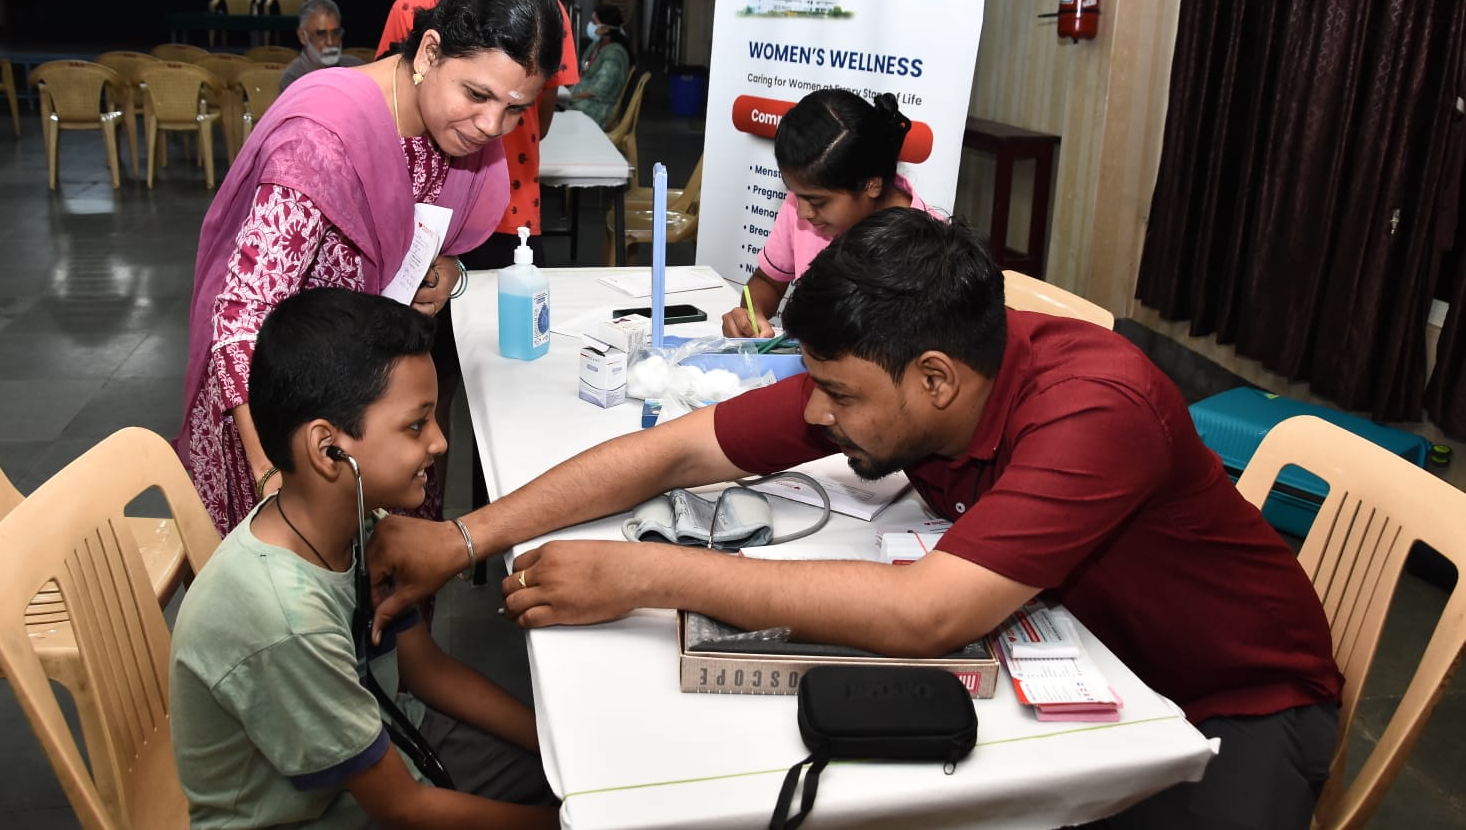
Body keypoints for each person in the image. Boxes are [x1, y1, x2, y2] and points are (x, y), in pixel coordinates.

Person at [367, 209, 1344, 830]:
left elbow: (928, 612)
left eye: (836, 393)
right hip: (1079, 655)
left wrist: (648, 576)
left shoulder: (1096, 410)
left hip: (1236, 700)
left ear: (934, 380)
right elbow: (676, 450)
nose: (816, 414)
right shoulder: (905, 367)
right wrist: (467, 537)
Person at [177, 0, 564, 536]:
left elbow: (423, 236)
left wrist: (449, 270)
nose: (491, 125)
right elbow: (242, 319)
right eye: (477, 94)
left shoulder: (452, 129)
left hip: (371, 404)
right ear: (430, 52)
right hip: (276, 421)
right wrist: (271, 473)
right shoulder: (320, 140)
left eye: (514, 109)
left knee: (389, 563)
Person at [171, 287, 558, 829]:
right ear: (328, 449)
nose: (440, 443)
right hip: (333, 811)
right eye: (416, 425)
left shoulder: (350, 522)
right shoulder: (288, 620)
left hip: (395, 742)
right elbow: (403, 808)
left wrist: (555, 747)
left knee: (569, 779)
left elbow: (426, 670)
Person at [376, 0, 579, 269]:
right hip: (420, 218)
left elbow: (539, 123)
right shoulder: (413, 7)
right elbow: (388, 117)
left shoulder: (546, 17)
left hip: (512, 217)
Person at [721, 88, 931, 338]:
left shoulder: (929, 249)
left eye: (818, 202)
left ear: (871, 185)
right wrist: (751, 316)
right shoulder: (804, 203)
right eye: (795, 194)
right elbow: (768, 281)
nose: (802, 213)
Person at [279, 0, 366, 92]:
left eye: (335, 33)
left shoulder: (356, 68)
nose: (330, 42)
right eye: (321, 34)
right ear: (302, 36)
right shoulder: (293, 79)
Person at [565, 4, 631, 129]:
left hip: (599, 107)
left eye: (594, 22)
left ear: (606, 28)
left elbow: (599, 89)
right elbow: (583, 71)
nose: (590, 25)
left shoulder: (614, 55)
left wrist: (570, 96)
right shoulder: (597, 45)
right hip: (584, 99)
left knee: (559, 112)